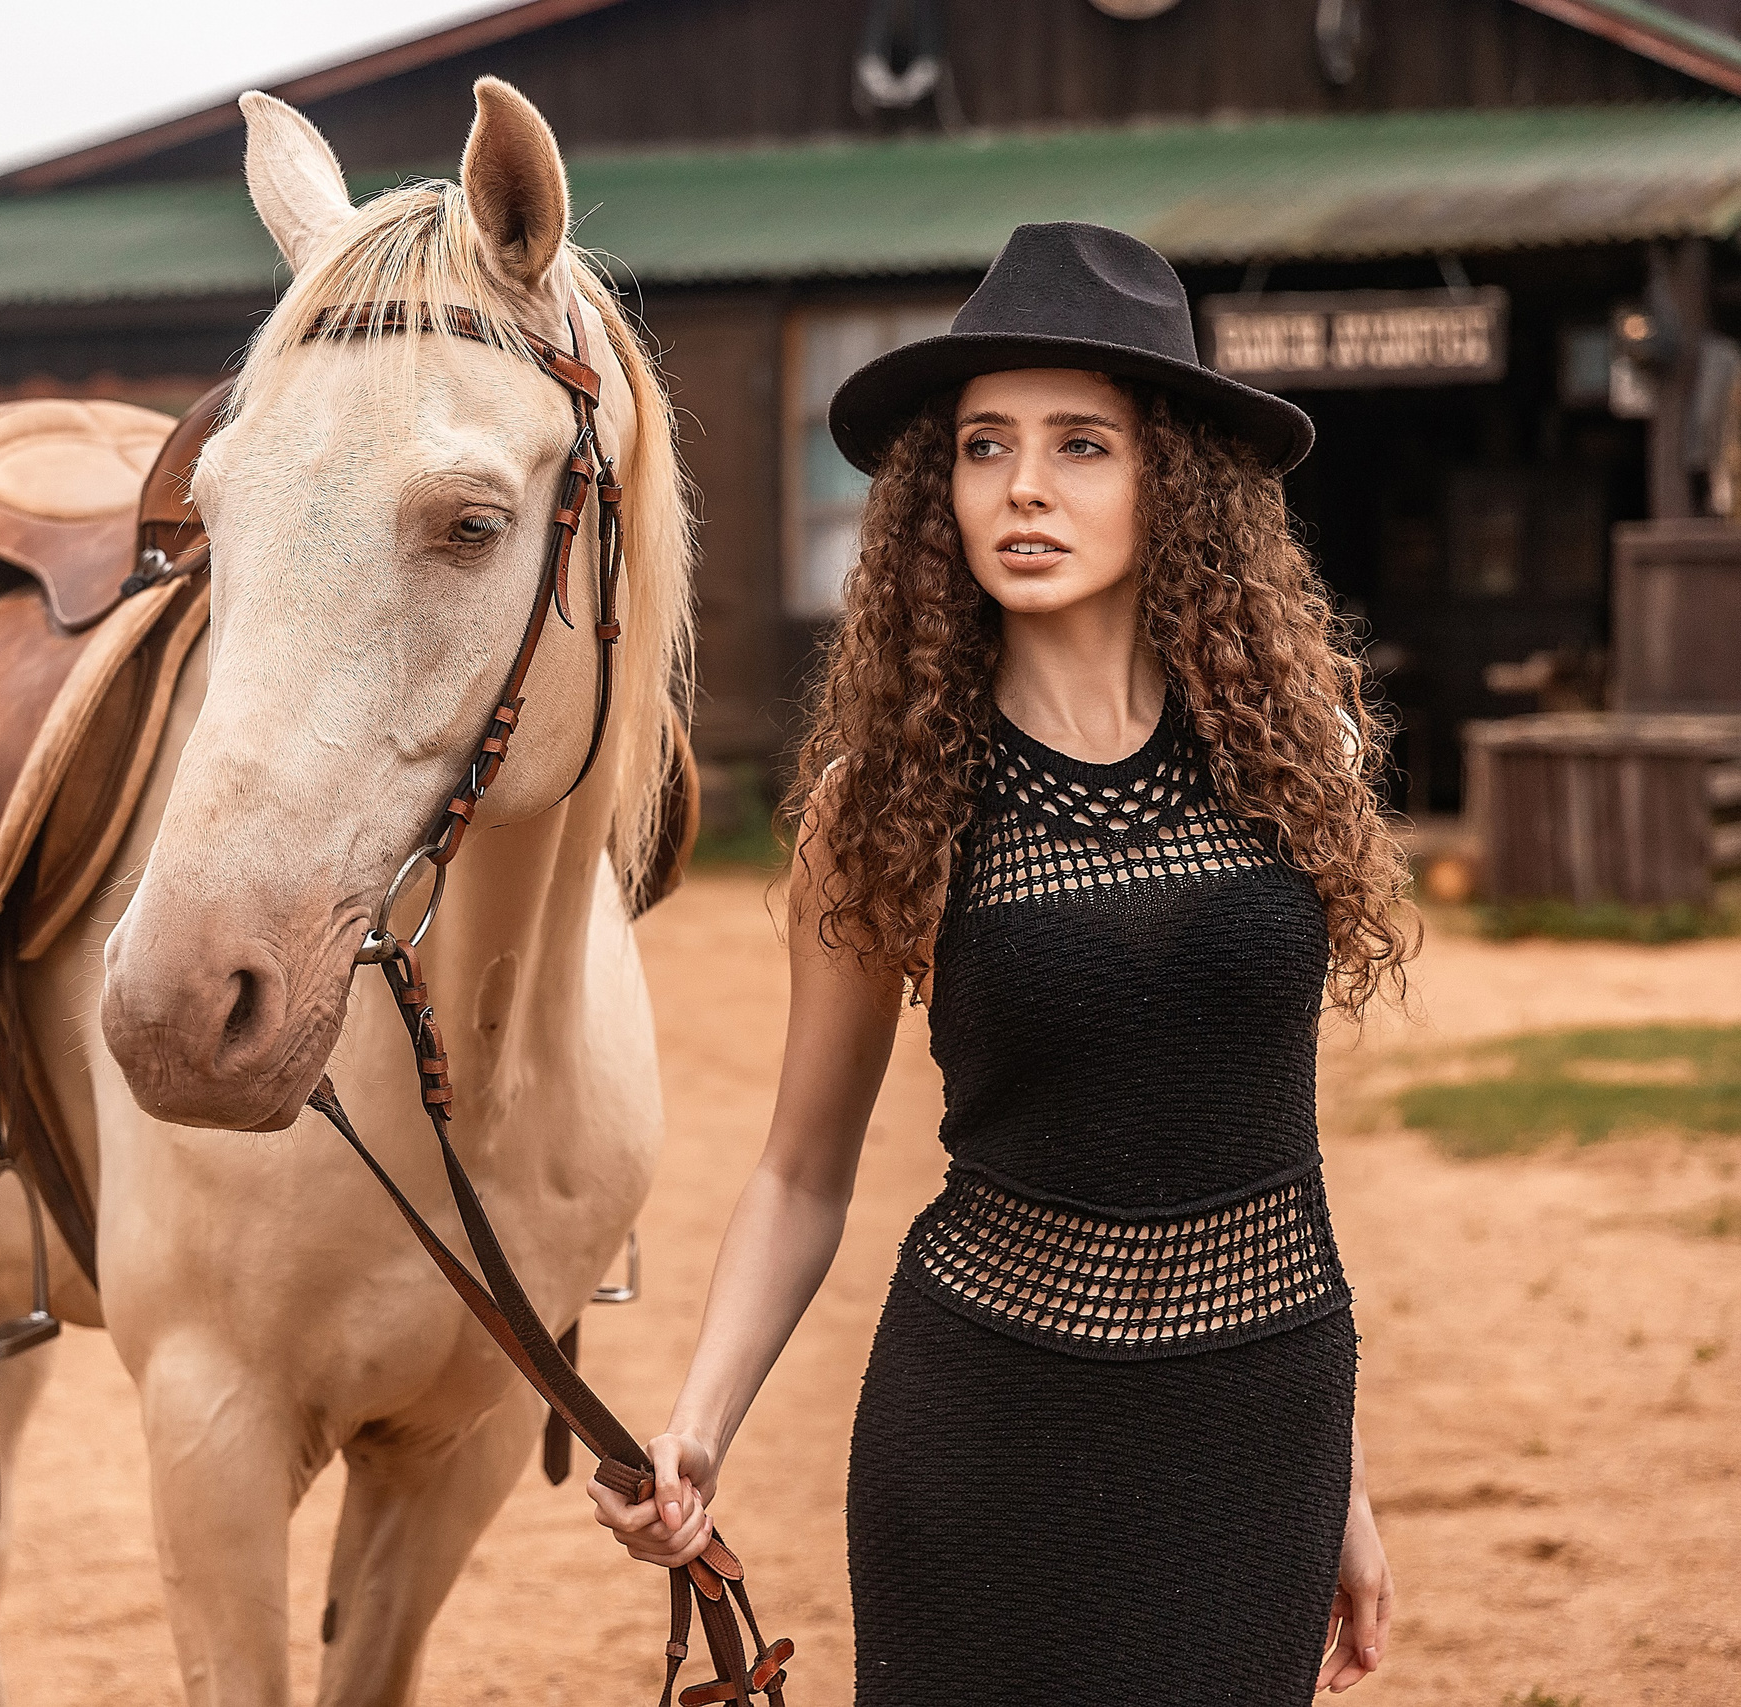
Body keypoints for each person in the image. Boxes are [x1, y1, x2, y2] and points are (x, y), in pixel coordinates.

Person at [590, 222, 1416, 1703]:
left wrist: (1339, 1475)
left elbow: (1265, 1140)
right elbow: (802, 1170)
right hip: (988, 1436)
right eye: (985, 446)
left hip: (1263, 1428)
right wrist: (698, 1427)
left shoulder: (1300, 759)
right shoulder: (883, 805)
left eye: (1080, 444)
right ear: (940, 491)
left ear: (1175, 479)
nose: (1023, 486)